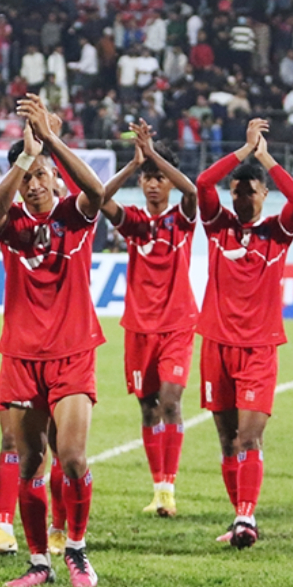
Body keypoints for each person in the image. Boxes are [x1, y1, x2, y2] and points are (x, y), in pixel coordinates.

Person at [0, 94, 106, 587]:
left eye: (41, 175)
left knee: (72, 457)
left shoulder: (74, 218)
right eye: (28, 177)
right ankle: (39, 562)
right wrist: (26, 157)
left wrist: (50, 141)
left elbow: (95, 192)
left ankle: (75, 549)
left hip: (73, 353)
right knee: (30, 460)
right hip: (21, 356)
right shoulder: (12, 226)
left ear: (56, 178)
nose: (35, 184)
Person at [194, 118, 293, 549]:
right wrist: (242, 151)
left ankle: (246, 517)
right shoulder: (217, 226)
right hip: (216, 345)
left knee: (249, 436)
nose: (242, 196)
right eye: (237, 190)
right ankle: (241, 516)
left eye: (251, 190)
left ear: (264, 195)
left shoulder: (278, 233)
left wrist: (263, 157)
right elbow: (203, 181)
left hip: (259, 348)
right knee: (226, 439)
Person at [98, 120, 198, 516]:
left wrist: (153, 154)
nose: (153, 183)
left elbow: (193, 190)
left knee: (171, 402)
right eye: (148, 178)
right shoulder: (135, 221)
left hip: (176, 324)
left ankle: (169, 490)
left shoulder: (182, 218)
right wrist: (132, 164)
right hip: (138, 327)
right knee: (147, 407)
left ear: (169, 183)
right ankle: (157, 488)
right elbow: (98, 199)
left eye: (159, 178)